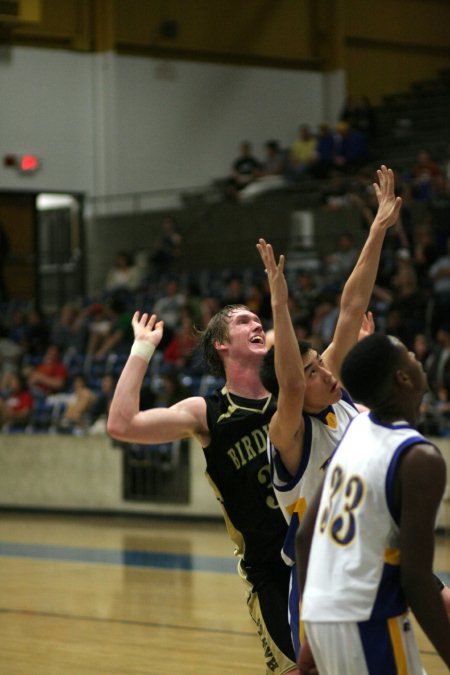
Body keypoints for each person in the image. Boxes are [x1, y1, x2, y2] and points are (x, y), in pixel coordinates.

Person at [257, 164, 403, 658]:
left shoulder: (337, 397)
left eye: (321, 363)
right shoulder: (287, 431)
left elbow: (350, 306)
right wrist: (280, 305)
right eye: (314, 369)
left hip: (371, 554)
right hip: (321, 581)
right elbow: (293, 382)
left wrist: (376, 232)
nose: (326, 372)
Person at [107, 307, 297, 672]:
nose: (257, 324)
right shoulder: (206, 412)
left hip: (319, 554)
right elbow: (122, 423)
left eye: (259, 320)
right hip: (268, 569)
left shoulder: (292, 393)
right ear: (222, 344)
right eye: (244, 321)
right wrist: (142, 349)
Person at [296, 333, 450, 674]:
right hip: (368, 622)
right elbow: (416, 579)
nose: (416, 357)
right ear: (404, 377)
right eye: (410, 354)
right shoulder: (420, 458)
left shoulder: (356, 428)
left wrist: (314, 628)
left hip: (324, 614)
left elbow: (306, 537)